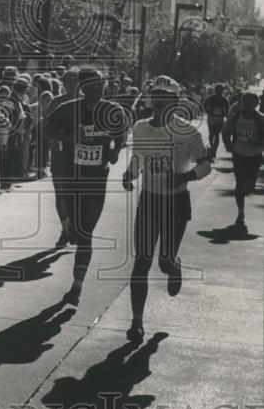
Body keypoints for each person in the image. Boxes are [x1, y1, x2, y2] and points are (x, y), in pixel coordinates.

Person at [122, 76, 212, 344]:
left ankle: (174, 265)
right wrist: (130, 174)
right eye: (156, 95)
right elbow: (138, 157)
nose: (160, 101)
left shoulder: (188, 132)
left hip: (176, 202)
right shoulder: (140, 127)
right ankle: (137, 322)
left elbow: (206, 165)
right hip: (150, 199)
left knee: (163, 261)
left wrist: (185, 177)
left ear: (176, 102)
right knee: (142, 260)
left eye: (166, 97)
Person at [43, 68, 128, 305]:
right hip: (72, 176)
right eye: (91, 86)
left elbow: (122, 131)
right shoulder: (69, 109)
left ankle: (77, 286)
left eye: (100, 85)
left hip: (96, 178)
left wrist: (114, 150)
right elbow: (44, 128)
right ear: (82, 87)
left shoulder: (112, 110)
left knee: (85, 233)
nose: (97, 90)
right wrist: (69, 138)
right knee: (78, 227)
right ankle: (69, 228)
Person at [221, 91, 264, 235]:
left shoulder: (261, 119)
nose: (249, 107)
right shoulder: (236, 116)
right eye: (247, 104)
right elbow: (225, 131)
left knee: (250, 186)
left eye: (253, 104)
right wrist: (228, 145)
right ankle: (241, 213)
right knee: (239, 183)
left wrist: (257, 142)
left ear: (256, 105)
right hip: (239, 154)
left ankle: (247, 189)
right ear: (243, 104)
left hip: (255, 156)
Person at [46, 66, 81, 246]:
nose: (72, 84)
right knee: (60, 194)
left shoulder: (88, 102)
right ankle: (65, 229)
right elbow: (46, 129)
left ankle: (76, 227)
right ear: (64, 83)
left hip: (82, 157)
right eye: (69, 81)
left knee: (77, 195)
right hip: (61, 155)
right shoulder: (57, 102)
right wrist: (59, 142)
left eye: (75, 80)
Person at [203, 84, 230, 157]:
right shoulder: (224, 99)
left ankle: (213, 148)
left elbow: (204, 105)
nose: (219, 92)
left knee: (213, 134)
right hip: (217, 118)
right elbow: (227, 109)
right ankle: (213, 149)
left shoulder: (211, 98)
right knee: (215, 134)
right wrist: (225, 115)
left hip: (213, 118)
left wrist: (207, 111)